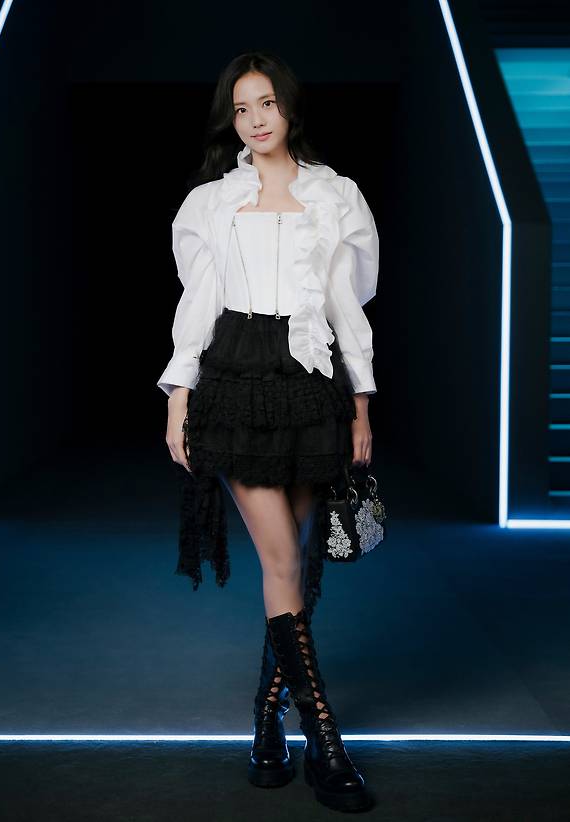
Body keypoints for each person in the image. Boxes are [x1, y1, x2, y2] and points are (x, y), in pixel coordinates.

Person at [157, 51, 379, 814]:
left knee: (297, 568)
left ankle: (264, 726)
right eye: (242, 107)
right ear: (232, 117)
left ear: (290, 107)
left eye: (267, 103)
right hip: (235, 380)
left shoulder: (336, 195)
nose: (255, 119)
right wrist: (178, 397)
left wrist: (361, 403)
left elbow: (348, 306)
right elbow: (197, 303)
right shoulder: (211, 202)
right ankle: (325, 742)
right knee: (281, 558)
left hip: (311, 385)